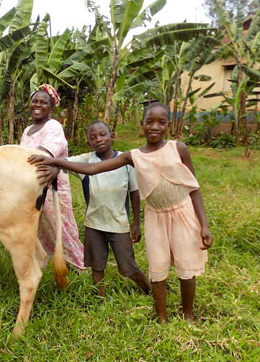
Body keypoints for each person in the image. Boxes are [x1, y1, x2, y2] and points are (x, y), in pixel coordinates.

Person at [29, 102, 213, 323]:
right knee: (157, 267)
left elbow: (193, 187)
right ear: (141, 125)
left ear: (168, 125)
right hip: (152, 218)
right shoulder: (132, 156)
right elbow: (93, 168)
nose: (154, 126)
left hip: (181, 214)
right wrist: (55, 161)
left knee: (185, 267)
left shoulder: (179, 148)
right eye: (149, 122)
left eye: (161, 122)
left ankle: (188, 314)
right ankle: (161, 317)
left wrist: (204, 224)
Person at [65, 120, 150, 301]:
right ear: (89, 143)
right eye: (93, 137)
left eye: (103, 134)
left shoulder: (126, 161)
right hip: (93, 224)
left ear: (112, 136)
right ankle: (100, 299)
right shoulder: (87, 160)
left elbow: (134, 193)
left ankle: (148, 289)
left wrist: (136, 223)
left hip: (118, 224)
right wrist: (48, 160)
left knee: (128, 267)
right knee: (97, 266)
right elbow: (64, 163)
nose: (99, 140)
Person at [20, 84, 85, 270]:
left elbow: (44, 154)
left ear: (52, 106)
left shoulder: (53, 126)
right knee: (39, 227)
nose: (38, 105)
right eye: (34, 101)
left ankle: (79, 265)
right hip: (33, 185)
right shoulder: (28, 130)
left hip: (53, 186)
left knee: (60, 227)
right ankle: (48, 264)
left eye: (43, 102)